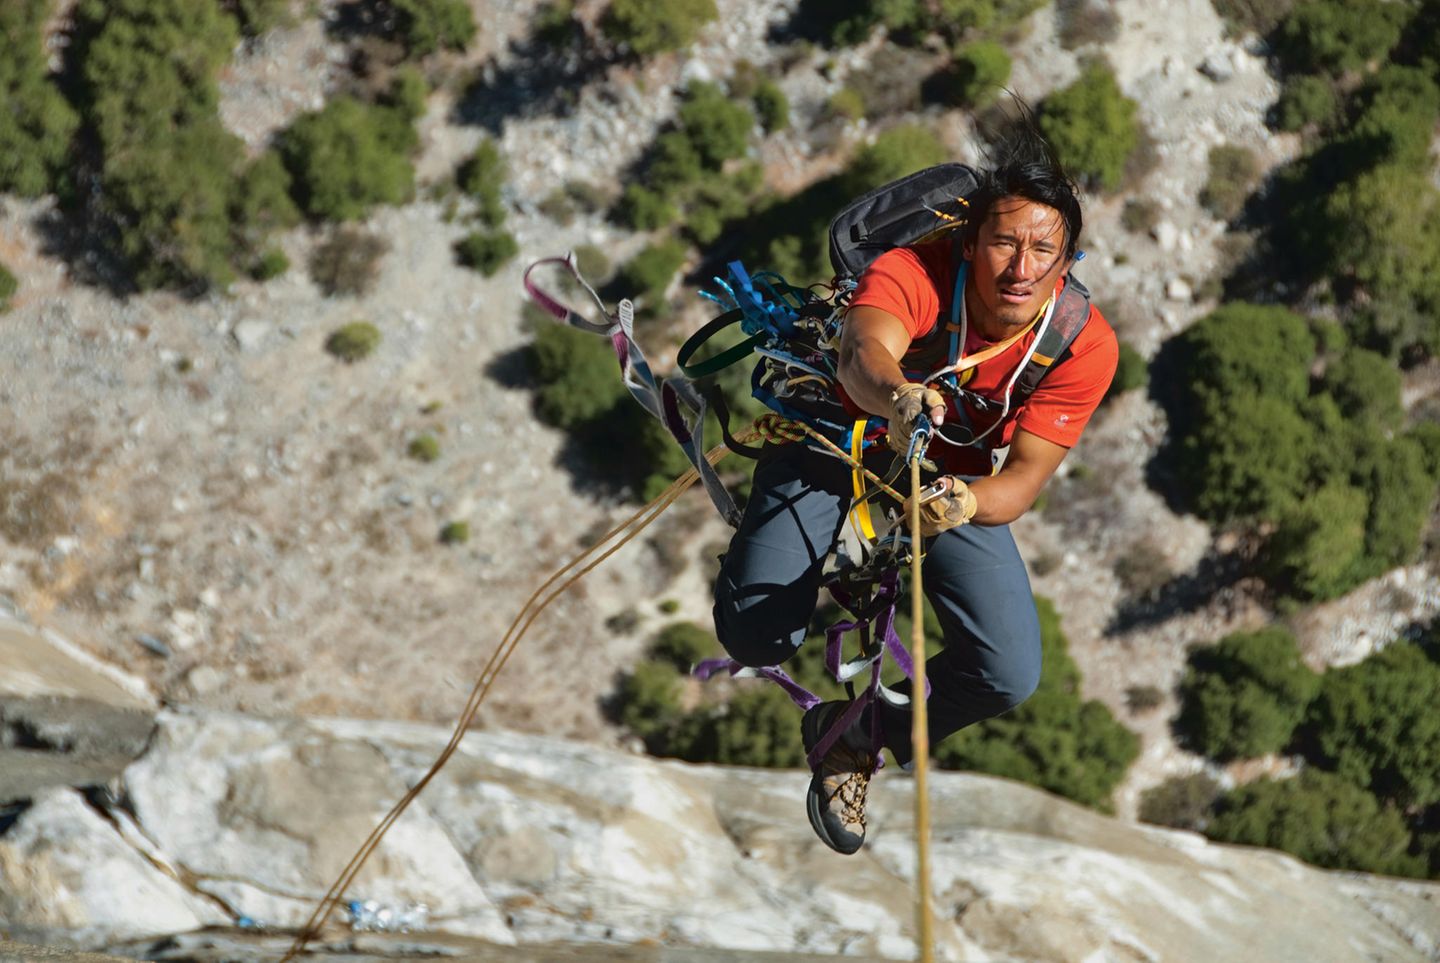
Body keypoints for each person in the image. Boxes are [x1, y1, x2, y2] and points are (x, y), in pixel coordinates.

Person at [710, 133, 1118, 855]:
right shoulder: (915, 270)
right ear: (969, 241)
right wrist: (898, 397)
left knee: (1007, 671)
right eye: (1002, 244)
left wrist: (963, 504)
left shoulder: (1081, 344)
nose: (1020, 268)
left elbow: (1021, 480)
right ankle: (782, 557)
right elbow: (864, 351)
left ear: (1067, 260)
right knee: (754, 631)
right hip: (840, 438)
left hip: (944, 479)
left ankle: (854, 737)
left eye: (1042, 251)